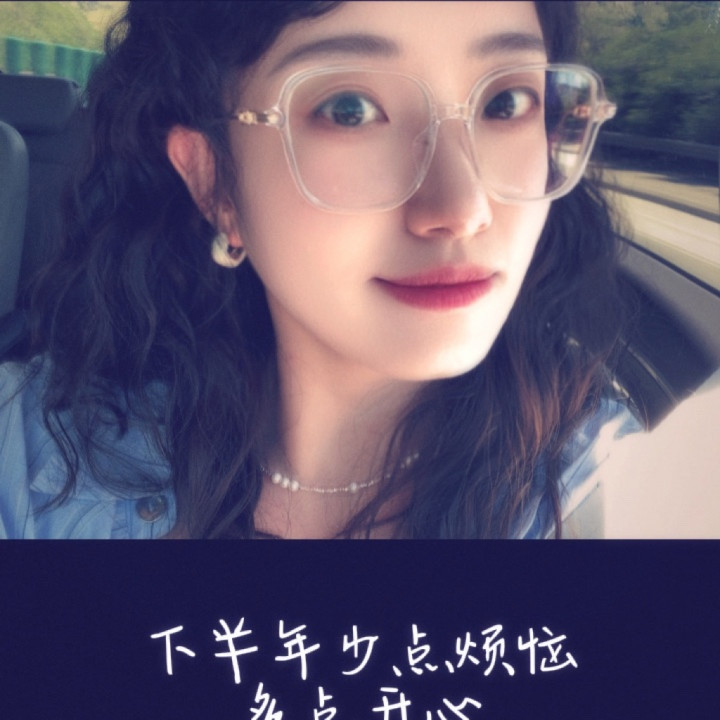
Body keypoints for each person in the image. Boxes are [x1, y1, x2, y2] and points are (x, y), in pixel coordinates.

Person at [0, 1, 641, 539]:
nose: (462, 210)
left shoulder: (617, 487)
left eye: (506, 102)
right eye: (349, 109)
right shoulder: (32, 454)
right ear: (213, 180)